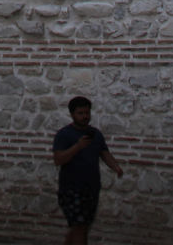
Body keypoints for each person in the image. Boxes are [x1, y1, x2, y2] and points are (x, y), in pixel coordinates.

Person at [52, 95, 124, 244]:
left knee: (82, 227)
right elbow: (58, 159)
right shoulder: (64, 135)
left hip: (91, 188)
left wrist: (116, 167)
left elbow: (104, 153)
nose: (85, 117)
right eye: (81, 113)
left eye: (87, 113)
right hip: (71, 189)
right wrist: (77, 147)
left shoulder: (95, 134)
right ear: (72, 114)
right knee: (79, 226)